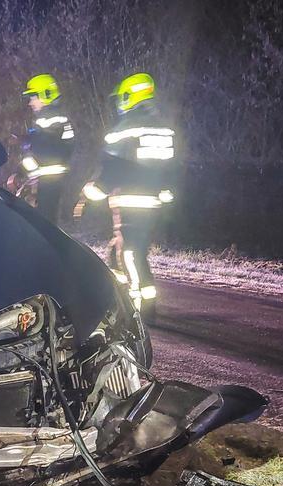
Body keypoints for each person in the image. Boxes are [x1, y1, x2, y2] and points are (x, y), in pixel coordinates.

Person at [82, 73, 178, 320]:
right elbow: (171, 170)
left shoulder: (126, 129)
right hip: (152, 204)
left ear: (129, 97)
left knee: (131, 253)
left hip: (129, 202)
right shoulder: (164, 129)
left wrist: (90, 194)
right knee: (124, 251)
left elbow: (113, 168)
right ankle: (123, 298)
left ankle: (140, 309)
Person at [19, 74, 75, 225]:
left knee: (46, 225)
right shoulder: (54, 117)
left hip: (49, 182)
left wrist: (28, 146)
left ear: (46, 95)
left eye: (33, 97)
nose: (30, 103)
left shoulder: (48, 119)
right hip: (51, 181)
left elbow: (44, 150)